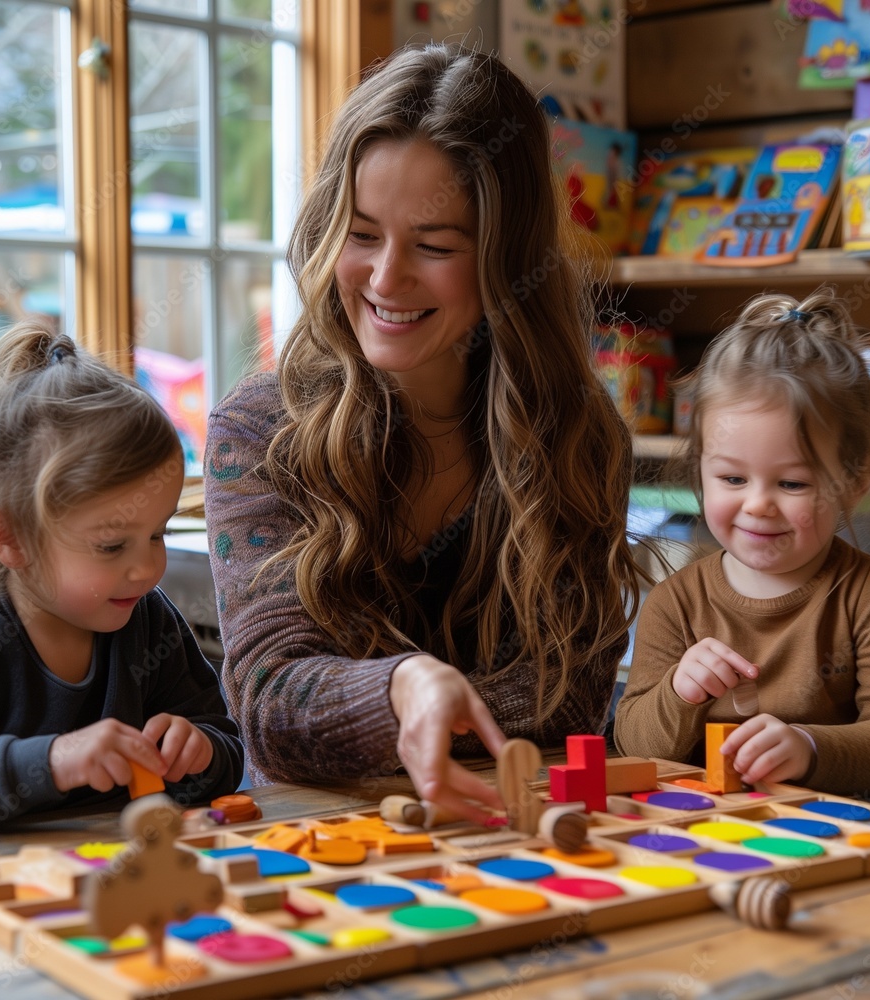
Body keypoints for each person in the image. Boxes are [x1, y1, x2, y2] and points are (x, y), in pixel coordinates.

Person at [205, 43, 642, 820]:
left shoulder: (579, 433)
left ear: (506, 262)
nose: (385, 278)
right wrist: (405, 688)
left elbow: (571, 697)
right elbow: (272, 708)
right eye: (362, 233)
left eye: (435, 245)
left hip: (518, 835)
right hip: (322, 851)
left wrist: (385, 702)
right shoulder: (259, 429)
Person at [0, 321, 244, 834]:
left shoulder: (148, 619)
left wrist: (200, 752)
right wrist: (52, 761)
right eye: (111, 544)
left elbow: (226, 748)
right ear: (8, 537)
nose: (146, 568)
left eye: (158, 533)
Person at [614, 290, 870, 797]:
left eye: (792, 484)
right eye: (732, 479)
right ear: (700, 470)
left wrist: (810, 748)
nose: (759, 505)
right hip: (701, 835)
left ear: (854, 484)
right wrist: (680, 691)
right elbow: (633, 742)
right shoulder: (675, 604)